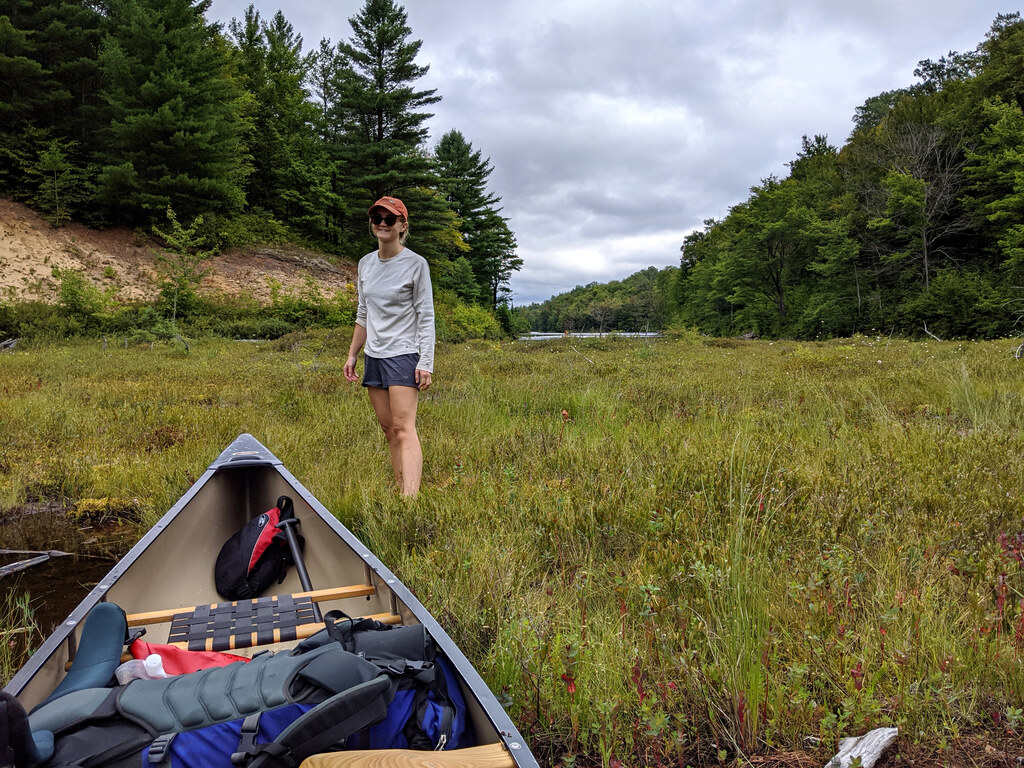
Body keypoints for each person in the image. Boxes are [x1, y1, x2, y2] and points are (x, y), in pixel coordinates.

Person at [344, 196, 435, 497]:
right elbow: (363, 312)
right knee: (388, 430)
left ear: (402, 226)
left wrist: (426, 361)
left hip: (404, 353)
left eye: (390, 219)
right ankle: (401, 490)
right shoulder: (365, 264)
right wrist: (353, 354)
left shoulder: (415, 264)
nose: (382, 223)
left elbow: (425, 314)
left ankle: (410, 503)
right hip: (375, 356)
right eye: (377, 218)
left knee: (403, 427)